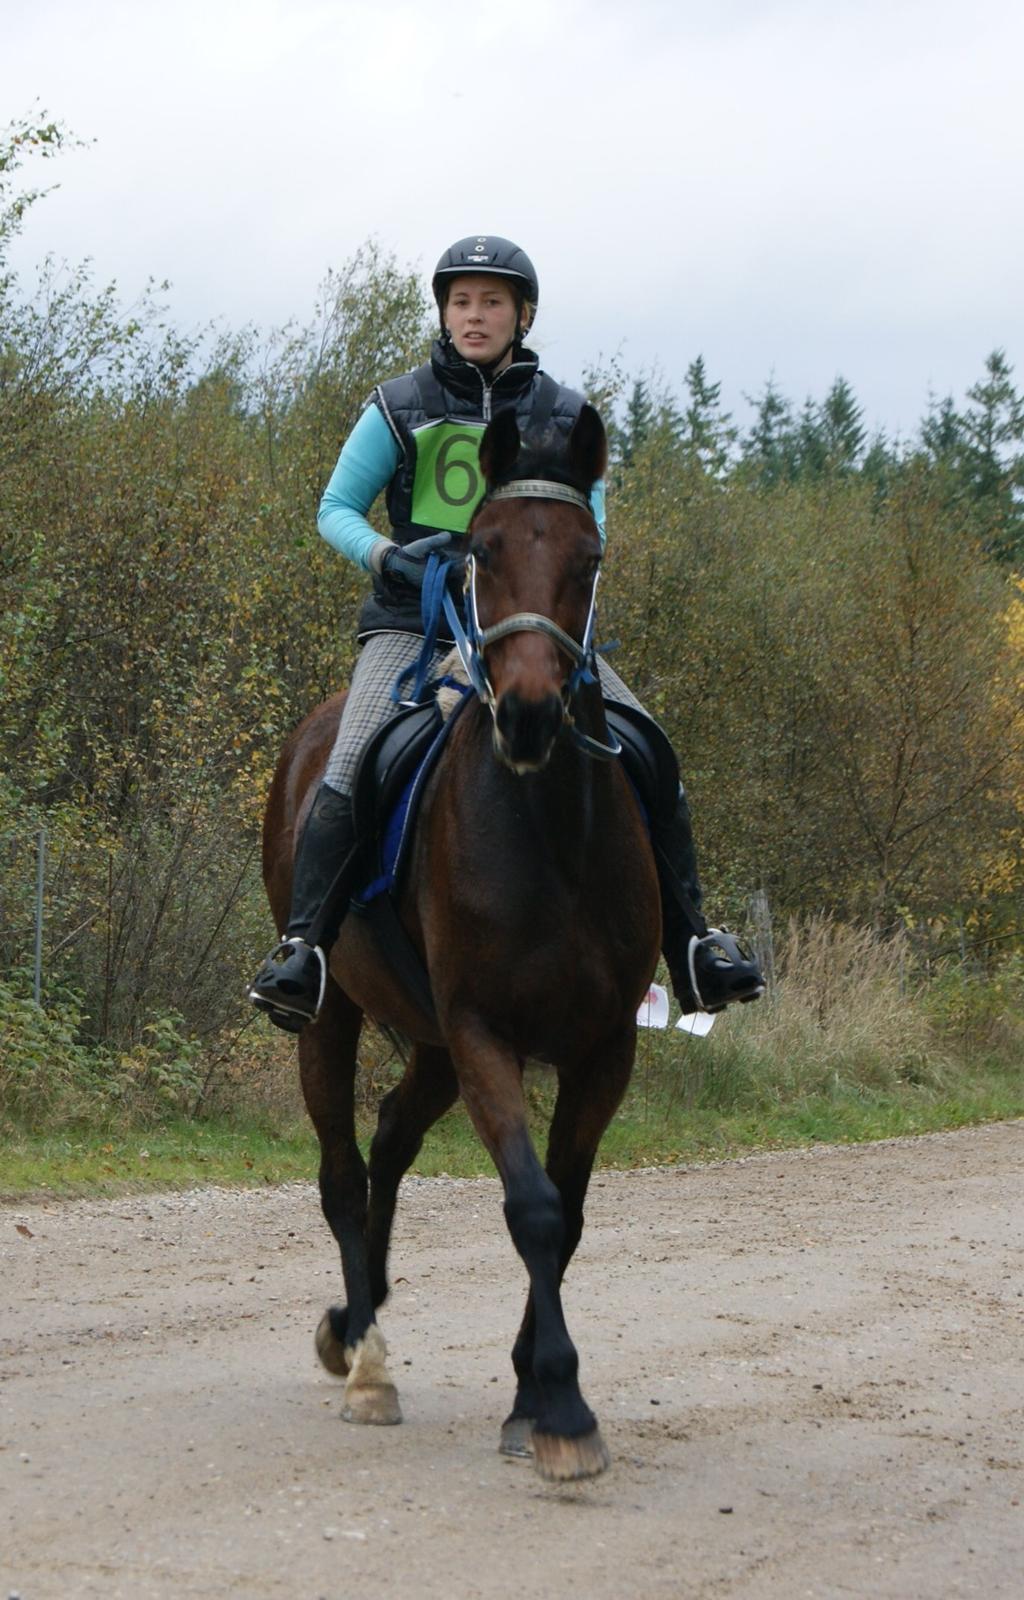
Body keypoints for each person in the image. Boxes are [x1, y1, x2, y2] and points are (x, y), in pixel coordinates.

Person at [249, 235, 764, 1031]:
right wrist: (389, 555)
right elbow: (333, 512)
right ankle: (305, 949)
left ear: (522, 315)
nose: (474, 315)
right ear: (444, 312)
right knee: (348, 763)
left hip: (529, 628)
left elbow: (589, 524)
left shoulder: (561, 412)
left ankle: (696, 944)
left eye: (491, 301)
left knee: (650, 747)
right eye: (461, 301)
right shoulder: (398, 404)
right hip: (414, 623)